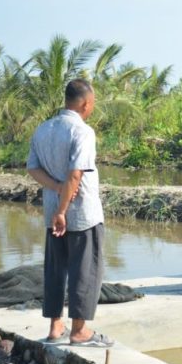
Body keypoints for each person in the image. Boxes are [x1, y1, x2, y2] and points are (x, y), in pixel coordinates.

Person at [27, 79, 114, 347]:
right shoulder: (82, 132)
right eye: (93, 103)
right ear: (86, 103)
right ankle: (79, 331)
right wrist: (64, 210)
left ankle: (56, 328)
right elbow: (75, 174)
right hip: (80, 214)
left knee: (56, 269)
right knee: (85, 270)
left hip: (52, 210)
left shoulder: (43, 130)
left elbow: (32, 168)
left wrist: (55, 190)